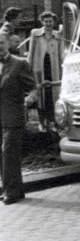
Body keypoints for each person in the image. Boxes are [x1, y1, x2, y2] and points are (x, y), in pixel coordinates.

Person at [0, 32, 36, 204]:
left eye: (1, 43)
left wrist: (30, 98)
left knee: (9, 154)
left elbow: (33, 87)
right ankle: (12, 189)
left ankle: (11, 192)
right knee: (3, 155)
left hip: (14, 116)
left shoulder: (19, 63)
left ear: (8, 44)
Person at [27, 11, 63, 133]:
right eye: (46, 21)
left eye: (50, 21)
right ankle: (42, 123)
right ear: (42, 22)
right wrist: (29, 69)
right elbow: (31, 53)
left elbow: (61, 55)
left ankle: (52, 122)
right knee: (40, 97)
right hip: (39, 68)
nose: (48, 24)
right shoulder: (35, 34)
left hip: (53, 69)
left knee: (52, 96)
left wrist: (63, 70)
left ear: (54, 22)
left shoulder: (58, 35)